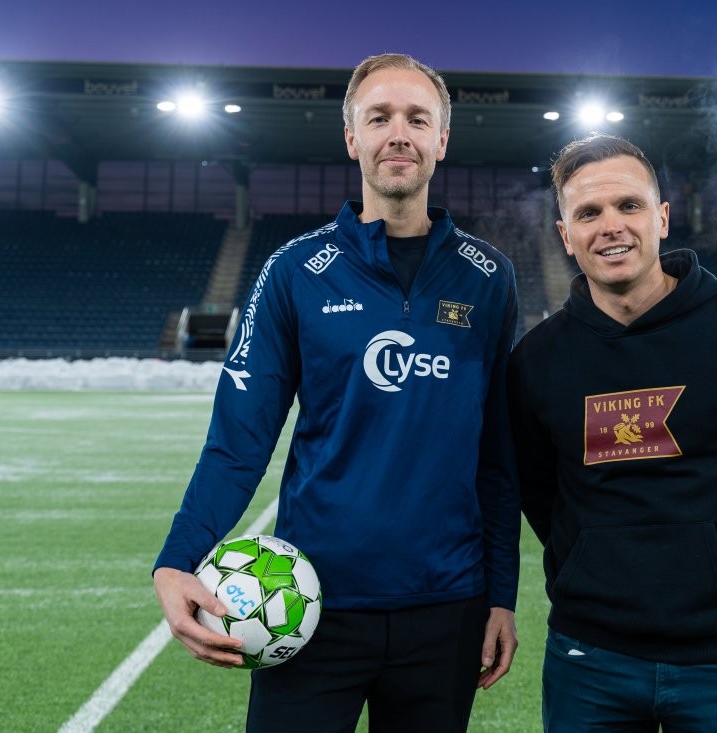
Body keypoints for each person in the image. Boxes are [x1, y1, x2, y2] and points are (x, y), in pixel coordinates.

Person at [153, 53, 520, 733]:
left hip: (448, 608)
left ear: (443, 140)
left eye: (418, 118)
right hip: (308, 606)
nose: (398, 133)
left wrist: (503, 595)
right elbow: (239, 439)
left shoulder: (488, 278)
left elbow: (498, 456)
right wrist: (178, 558)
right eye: (378, 117)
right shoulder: (295, 272)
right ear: (352, 138)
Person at [507, 133, 717, 732]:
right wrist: (593, 561)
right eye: (588, 213)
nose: (611, 226)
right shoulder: (536, 361)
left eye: (628, 206)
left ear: (661, 218)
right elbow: (536, 491)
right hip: (590, 661)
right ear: (566, 236)